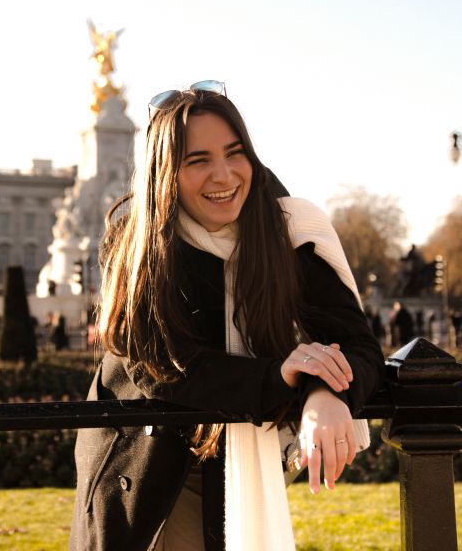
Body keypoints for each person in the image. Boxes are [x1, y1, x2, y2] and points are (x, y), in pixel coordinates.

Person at [69, 82, 384, 551]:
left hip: (239, 446)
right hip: (146, 457)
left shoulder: (288, 230)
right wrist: (283, 379)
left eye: (234, 153)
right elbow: (163, 370)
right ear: (165, 174)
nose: (224, 175)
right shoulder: (135, 239)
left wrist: (325, 391)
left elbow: (358, 346)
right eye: (198, 161)